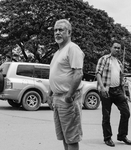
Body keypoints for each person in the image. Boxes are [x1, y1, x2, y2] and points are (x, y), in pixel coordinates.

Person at [48, 19, 84, 150]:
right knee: (64, 135)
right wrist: (49, 94)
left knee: (72, 138)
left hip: (67, 98)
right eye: (55, 30)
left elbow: (78, 74)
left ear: (69, 32)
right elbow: (54, 74)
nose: (57, 33)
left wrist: (69, 96)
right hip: (58, 98)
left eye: (60, 30)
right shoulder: (58, 52)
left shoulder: (73, 48)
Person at [96, 40, 131, 147]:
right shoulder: (104, 59)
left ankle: (122, 135)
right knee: (106, 115)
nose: (117, 49)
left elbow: (121, 80)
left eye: (119, 48)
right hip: (106, 90)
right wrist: (102, 87)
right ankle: (107, 138)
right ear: (111, 48)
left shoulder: (120, 63)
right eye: (115, 47)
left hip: (118, 91)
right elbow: (98, 73)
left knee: (126, 112)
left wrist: (124, 93)